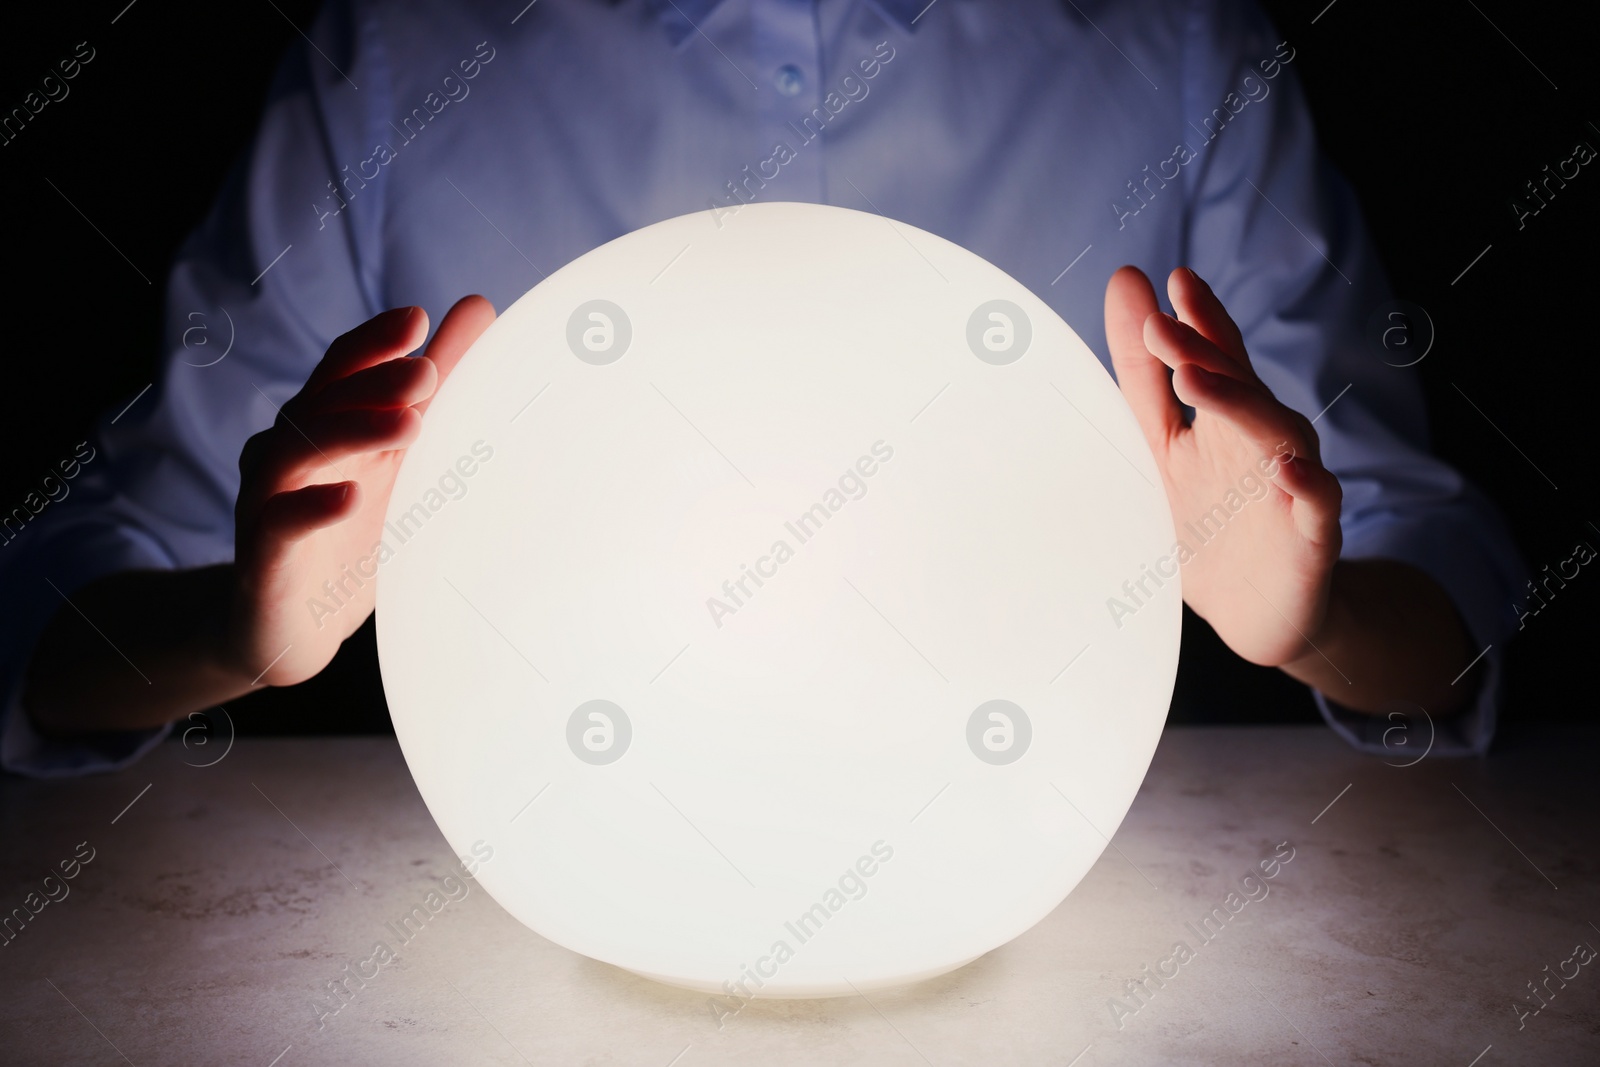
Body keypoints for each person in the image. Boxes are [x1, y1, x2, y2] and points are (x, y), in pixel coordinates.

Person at [0, 0, 1523, 775]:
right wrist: (234, 632)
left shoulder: (1176, 45)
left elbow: (1445, 610)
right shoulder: (406, 51)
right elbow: (48, 622)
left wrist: (1312, 620)